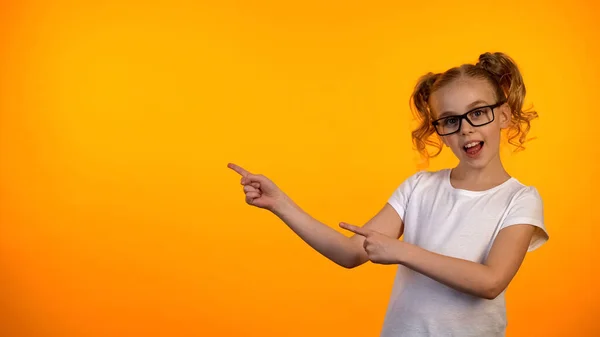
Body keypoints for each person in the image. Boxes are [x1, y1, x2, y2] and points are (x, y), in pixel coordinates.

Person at [227, 52, 549, 337]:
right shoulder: (419, 188)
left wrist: (402, 251)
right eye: (451, 120)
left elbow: (490, 282)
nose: (466, 128)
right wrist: (281, 204)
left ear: (504, 115)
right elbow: (351, 253)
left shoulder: (520, 199)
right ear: (439, 131)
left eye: (478, 113)